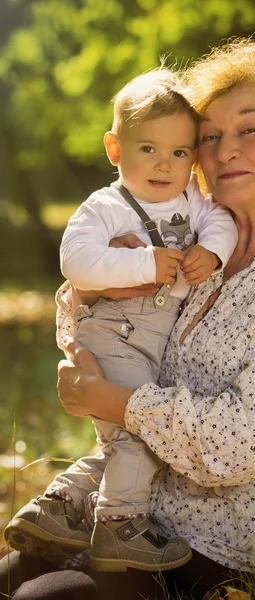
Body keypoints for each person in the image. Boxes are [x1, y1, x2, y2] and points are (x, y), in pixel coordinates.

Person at [1, 37, 255, 600]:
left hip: (247, 535)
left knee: (42, 599)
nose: (224, 150)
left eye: (249, 129)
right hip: (146, 505)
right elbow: (99, 320)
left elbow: (241, 442)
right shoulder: (197, 238)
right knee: (7, 577)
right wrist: (113, 277)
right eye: (209, 137)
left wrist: (113, 401)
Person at [4, 68, 238, 573]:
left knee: (123, 437)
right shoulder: (106, 206)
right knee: (139, 434)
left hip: (147, 340)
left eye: (179, 153)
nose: (163, 164)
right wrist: (143, 264)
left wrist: (212, 252)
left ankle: (57, 508)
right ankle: (119, 526)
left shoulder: (193, 202)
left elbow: (221, 220)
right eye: (147, 148)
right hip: (115, 332)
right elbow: (77, 261)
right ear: (115, 149)